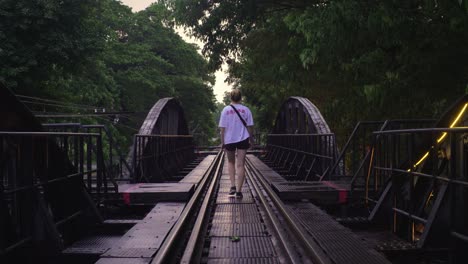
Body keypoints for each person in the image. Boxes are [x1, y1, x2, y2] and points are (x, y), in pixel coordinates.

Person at [219, 89, 254, 198]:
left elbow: (222, 129)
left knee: (230, 162)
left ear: (231, 98)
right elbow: (250, 127)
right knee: (240, 164)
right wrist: (251, 140)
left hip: (229, 139)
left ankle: (233, 186)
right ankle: (239, 191)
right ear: (241, 98)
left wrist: (222, 142)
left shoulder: (225, 110)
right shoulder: (246, 110)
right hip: (243, 139)